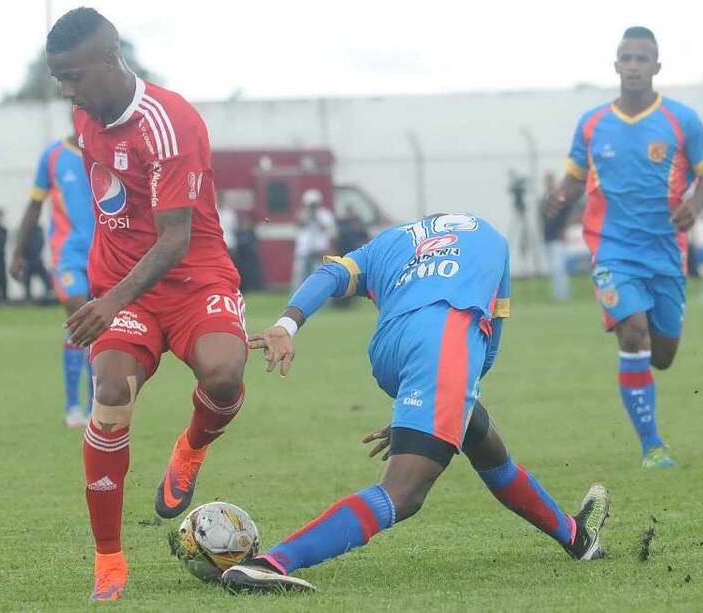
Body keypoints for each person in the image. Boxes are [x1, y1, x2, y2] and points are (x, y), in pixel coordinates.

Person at [221, 212, 610, 593]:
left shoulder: (390, 241)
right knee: (403, 493)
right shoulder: (492, 240)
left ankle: (575, 536)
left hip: (389, 352)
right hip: (443, 344)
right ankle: (270, 563)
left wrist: (285, 325)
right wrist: (442, 396)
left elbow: (331, 274)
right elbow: (488, 347)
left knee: (483, 440)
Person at [47, 8, 248, 601]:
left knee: (224, 375)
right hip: (122, 282)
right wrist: (108, 288)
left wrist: (109, 301)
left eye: (74, 76)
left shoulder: (169, 123)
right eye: (58, 78)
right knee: (110, 394)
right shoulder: (84, 115)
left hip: (195, 277)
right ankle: (109, 557)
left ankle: (191, 446)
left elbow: (174, 239)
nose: (67, 91)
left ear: (110, 59)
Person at [546, 27, 703, 468]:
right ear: (616, 65)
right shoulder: (592, 124)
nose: (634, 66)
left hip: (665, 253)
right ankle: (652, 447)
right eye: (627, 58)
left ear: (656, 66)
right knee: (633, 332)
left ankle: (647, 383)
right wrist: (561, 196)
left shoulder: (682, 120)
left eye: (643, 58)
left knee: (663, 356)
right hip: (611, 250)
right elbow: (574, 177)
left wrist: (695, 205)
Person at [11, 128, 96, 428]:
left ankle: (95, 406)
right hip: (67, 255)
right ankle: (73, 406)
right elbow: (35, 205)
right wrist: (18, 251)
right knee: (79, 315)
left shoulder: (108, 150)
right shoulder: (53, 156)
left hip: (106, 254)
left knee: (100, 330)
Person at [291, 189, 336, 288]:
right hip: (304, 250)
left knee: (319, 275)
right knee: (300, 277)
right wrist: (308, 217)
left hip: (319, 250)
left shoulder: (325, 214)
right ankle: (298, 296)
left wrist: (317, 218)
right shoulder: (303, 213)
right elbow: (298, 224)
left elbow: (327, 228)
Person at [539, 171, 571, 301]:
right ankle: (557, 295)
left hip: (558, 238)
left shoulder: (560, 199)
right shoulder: (543, 200)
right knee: (553, 269)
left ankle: (563, 295)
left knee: (559, 268)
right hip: (547, 238)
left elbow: (566, 214)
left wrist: (564, 230)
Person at [20, 224, 53, 303]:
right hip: (28, 259)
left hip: (37, 258)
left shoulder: (39, 229)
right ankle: (27, 298)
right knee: (27, 281)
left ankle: (48, 296)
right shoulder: (25, 229)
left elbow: (41, 243)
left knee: (46, 279)